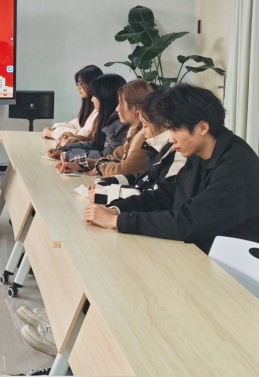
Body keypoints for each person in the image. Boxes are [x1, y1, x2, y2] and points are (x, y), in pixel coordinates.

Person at [84, 84, 259, 254]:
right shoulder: (199, 152)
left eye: (175, 130)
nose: (171, 139)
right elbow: (166, 195)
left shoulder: (237, 165)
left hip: (228, 265)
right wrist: (116, 210)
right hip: (196, 252)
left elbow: (189, 222)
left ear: (202, 127)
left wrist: (117, 221)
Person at [59, 78, 151, 175]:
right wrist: (83, 164)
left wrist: (69, 154)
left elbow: (121, 170)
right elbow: (113, 157)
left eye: (121, 103)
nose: (117, 108)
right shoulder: (133, 133)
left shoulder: (144, 138)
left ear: (136, 109)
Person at [54, 74, 128, 170]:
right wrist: (64, 149)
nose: (92, 99)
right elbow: (94, 144)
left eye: (94, 96)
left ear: (105, 98)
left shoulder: (121, 126)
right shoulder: (105, 118)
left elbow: (104, 155)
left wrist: (68, 154)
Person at [42, 65, 103, 142]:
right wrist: (55, 128)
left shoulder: (99, 109)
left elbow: (82, 135)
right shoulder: (89, 107)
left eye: (81, 84)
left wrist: (52, 133)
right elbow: (76, 124)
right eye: (77, 84)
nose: (78, 88)